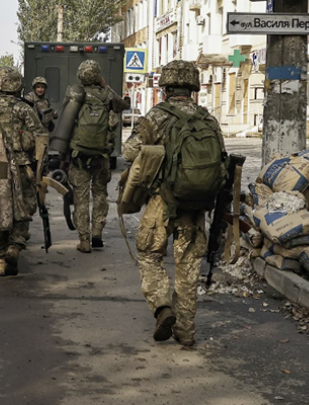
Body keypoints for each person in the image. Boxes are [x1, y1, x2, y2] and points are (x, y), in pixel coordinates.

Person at [123, 60, 227, 347]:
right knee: (189, 266)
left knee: (149, 254)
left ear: (166, 87)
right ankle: (186, 330)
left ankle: (161, 306)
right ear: (192, 87)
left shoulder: (156, 116)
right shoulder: (208, 119)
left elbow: (129, 151)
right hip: (196, 206)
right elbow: (222, 161)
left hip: (162, 201)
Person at [0, 66, 48, 276]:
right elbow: (41, 137)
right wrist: (41, 169)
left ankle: (0, 259)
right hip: (21, 168)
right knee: (23, 208)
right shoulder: (23, 109)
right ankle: (15, 245)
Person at [62, 60, 128, 253]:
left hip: (79, 155)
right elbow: (123, 106)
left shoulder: (75, 94)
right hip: (101, 155)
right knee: (100, 193)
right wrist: (105, 87)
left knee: (81, 197)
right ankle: (97, 230)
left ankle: (84, 240)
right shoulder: (108, 95)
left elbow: (66, 123)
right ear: (98, 75)